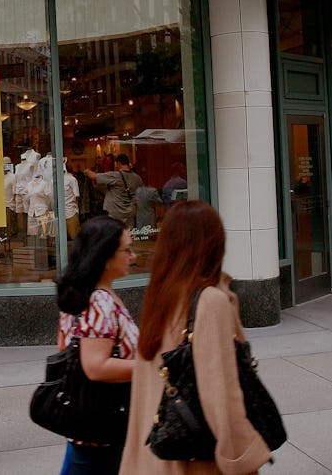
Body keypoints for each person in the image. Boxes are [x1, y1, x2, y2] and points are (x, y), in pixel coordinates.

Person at [119, 201, 271, 475]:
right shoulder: (209, 301)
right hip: (196, 461)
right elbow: (221, 394)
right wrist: (243, 459)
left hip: (155, 457)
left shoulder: (161, 297)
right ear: (214, 244)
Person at [55, 216, 139, 475]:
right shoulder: (98, 301)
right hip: (102, 421)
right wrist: (149, 365)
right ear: (105, 256)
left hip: (91, 422)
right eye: (127, 250)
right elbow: (95, 366)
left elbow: (64, 350)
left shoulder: (88, 293)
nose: (133, 256)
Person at [84, 155, 142, 226]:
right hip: (130, 214)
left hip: (115, 214)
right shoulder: (138, 178)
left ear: (119, 163)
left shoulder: (115, 176)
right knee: (128, 235)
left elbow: (93, 176)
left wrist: (87, 171)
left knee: (115, 235)